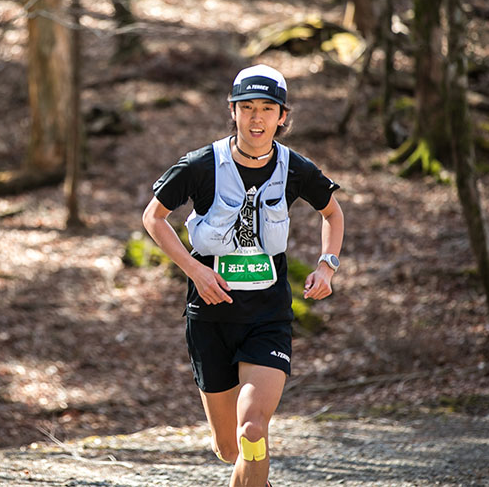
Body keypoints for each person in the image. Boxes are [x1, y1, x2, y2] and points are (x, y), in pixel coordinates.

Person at [141, 63, 344, 487]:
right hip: (210, 318)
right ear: (232, 111)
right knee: (230, 448)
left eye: (267, 109)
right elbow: (154, 218)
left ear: (282, 116)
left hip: (266, 318)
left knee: (253, 430)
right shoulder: (201, 165)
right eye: (246, 107)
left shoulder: (294, 167)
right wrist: (195, 270)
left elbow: (332, 212)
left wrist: (328, 264)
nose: (256, 118)